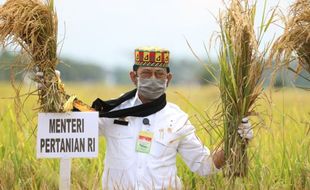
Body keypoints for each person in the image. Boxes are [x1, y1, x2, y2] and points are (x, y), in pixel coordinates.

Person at [37, 47, 253, 189]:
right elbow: (72, 122)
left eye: (159, 75)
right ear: (134, 77)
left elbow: (204, 165)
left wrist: (236, 140)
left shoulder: (177, 119)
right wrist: (50, 88)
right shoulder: (112, 112)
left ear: (168, 79)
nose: (153, 79)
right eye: (146, 73)